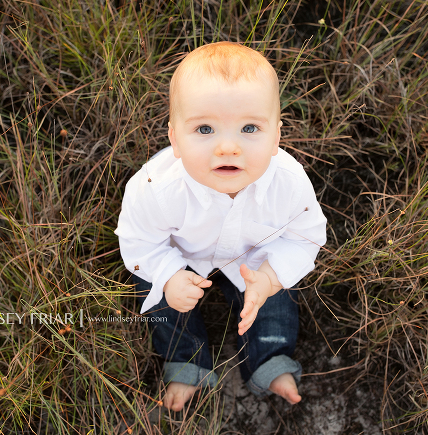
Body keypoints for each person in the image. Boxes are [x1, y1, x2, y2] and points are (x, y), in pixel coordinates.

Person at [115, 41, 327, 411]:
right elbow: (138, 240)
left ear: (276, 136)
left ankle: (270, 360)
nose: (228, 147)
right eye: (204, 129)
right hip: (182, 257)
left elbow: (304, 236)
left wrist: (271, 277)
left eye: (249, 128)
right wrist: (167, 274)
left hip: (253, 257)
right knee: (162, 298)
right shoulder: (156, 187)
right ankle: (186, 360)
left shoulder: (289, 183)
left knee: (274, 299)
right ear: (174, 139)